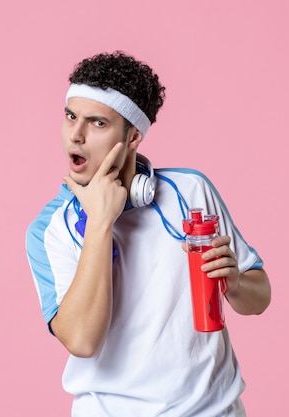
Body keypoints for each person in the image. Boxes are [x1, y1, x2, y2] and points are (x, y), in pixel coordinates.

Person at [25, 51, 271, 417]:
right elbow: (82, 340)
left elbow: (259, 296)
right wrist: (101, 221)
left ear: (133, 136)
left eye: (97, 123)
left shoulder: (190, 192)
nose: (75, 135)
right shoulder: (50, 230)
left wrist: (234, 282)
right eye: (70, 117)